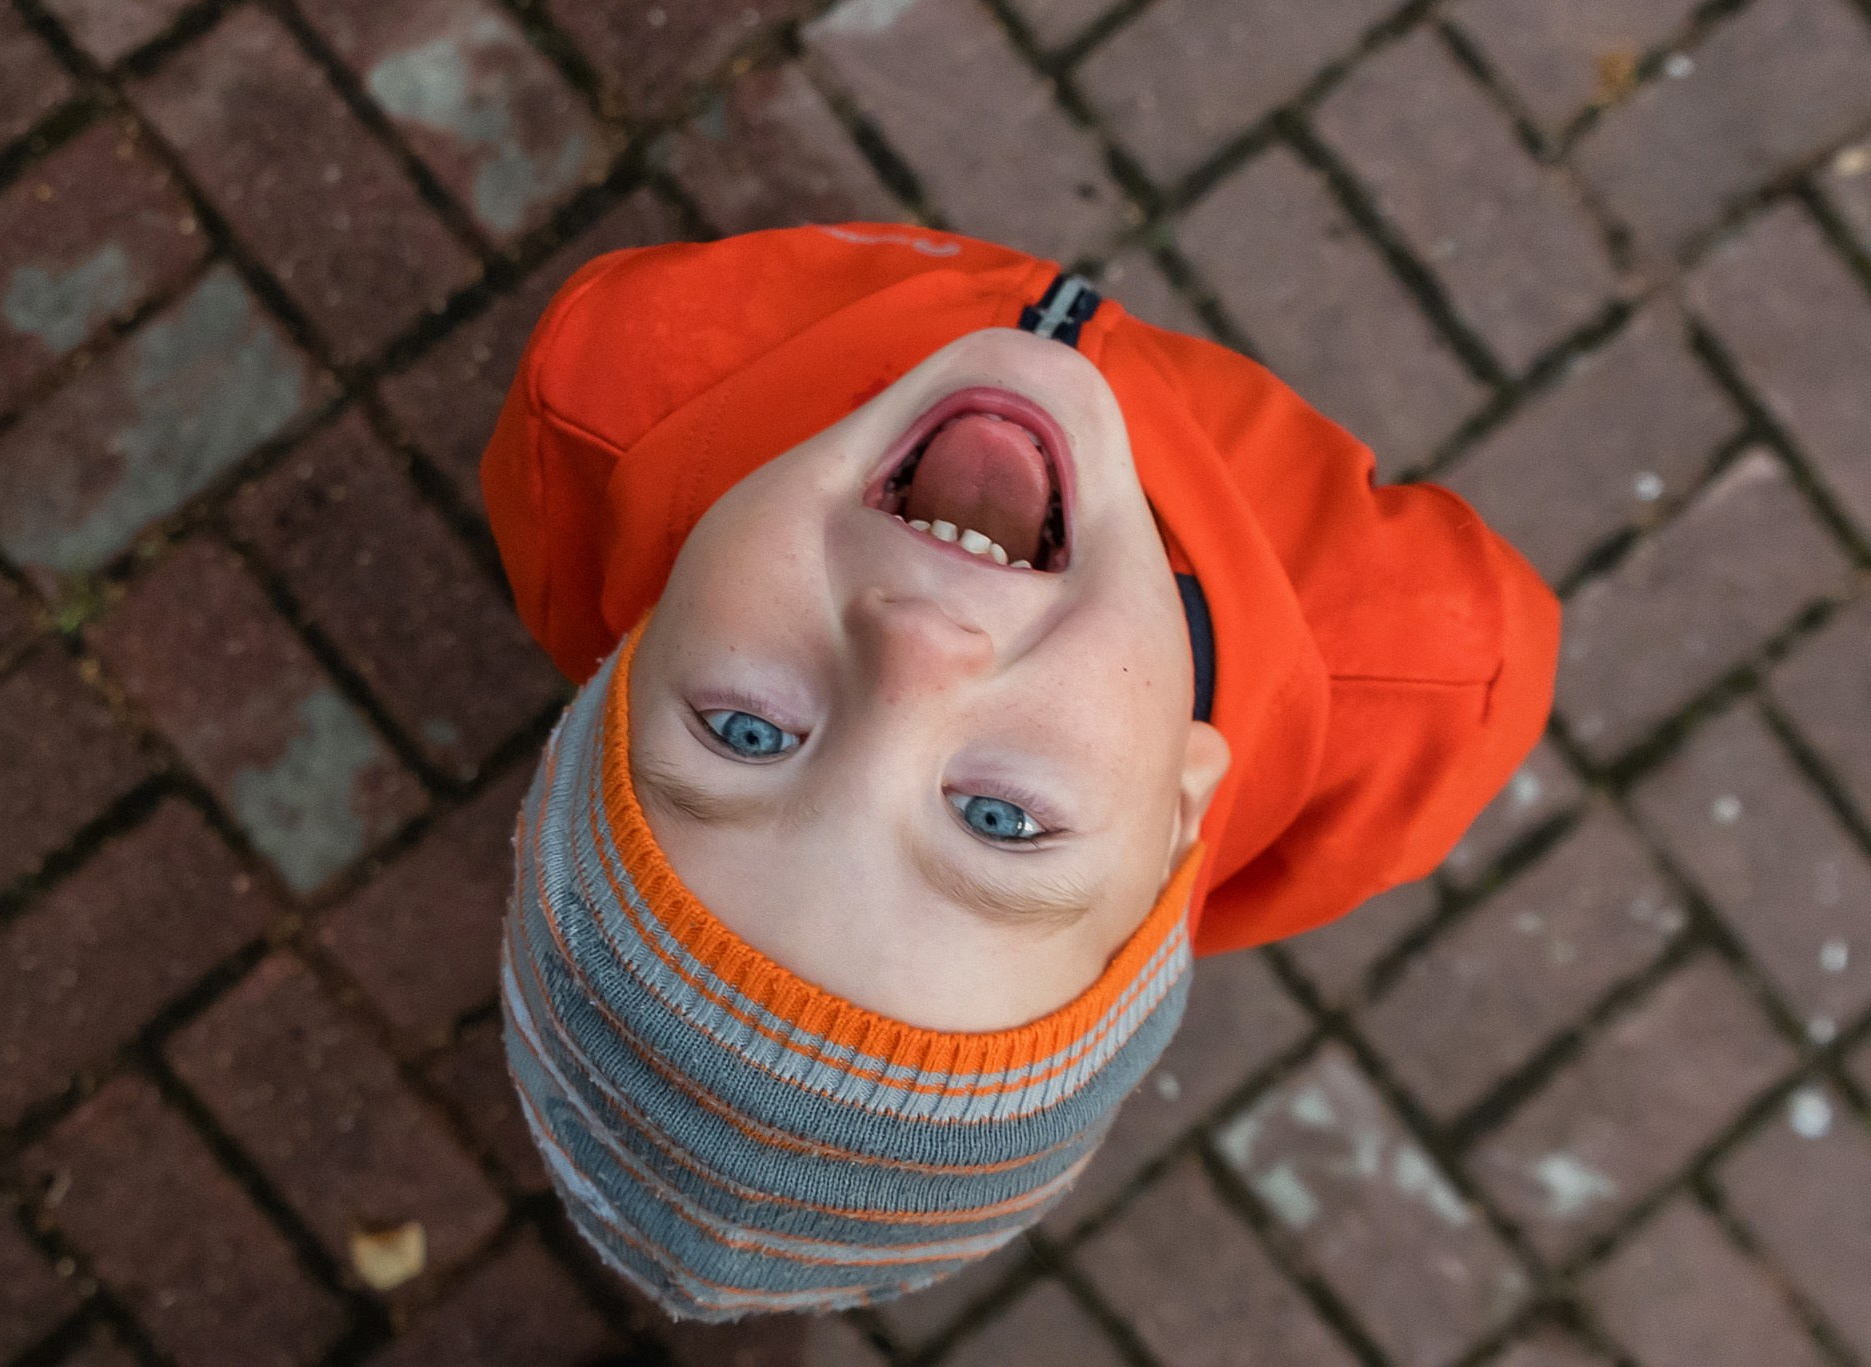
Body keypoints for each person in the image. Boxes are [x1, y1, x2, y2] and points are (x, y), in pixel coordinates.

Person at [480, 222, 1559, 1320]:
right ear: (1179, 829)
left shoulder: (616, 385)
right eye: (997, 817)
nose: (918, 647)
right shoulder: (1422, 676)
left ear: (630, 656)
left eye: (746, 732)